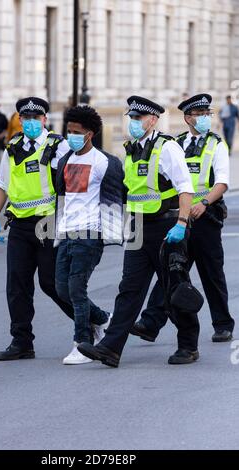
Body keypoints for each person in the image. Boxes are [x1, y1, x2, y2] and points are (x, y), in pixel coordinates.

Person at [77, 95, 199, 367]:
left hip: (167, 227)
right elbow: (129, 191)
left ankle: (188, 344)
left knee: (174, 287)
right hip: (137, 227)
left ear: (153, 120)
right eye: (130, 118)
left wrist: (181, 223)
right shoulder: (131, 150)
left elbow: (185, 188)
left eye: (138, 118)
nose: (132, 122)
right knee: (129, 289)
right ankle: (111, 347)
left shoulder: (167, 148)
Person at [132, 94, 234, 343]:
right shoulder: (175, 143)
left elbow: (222, 182)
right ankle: (151, 322)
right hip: (179, 218)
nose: (205, 118)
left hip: (206, 217)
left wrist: (204, 203)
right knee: (171, 272)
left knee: (212, 273)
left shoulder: (216, 144)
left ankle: (222, 324)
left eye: (207, 114)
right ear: (188, 118)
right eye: (200, 115)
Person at [0, 96, 74, 361]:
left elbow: (71, 184)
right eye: (26, 119)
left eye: (36, 119)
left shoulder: (58, 146)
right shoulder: (13, 146)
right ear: (20, 120)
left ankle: (91, 321)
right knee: (17, 285)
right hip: (20, 226)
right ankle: (22, 341)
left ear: (45, 120)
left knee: (52, 283)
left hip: (48, 224)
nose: (31, 123)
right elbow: (2, 184)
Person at [55, 105, 125, 364]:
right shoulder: (65, 161)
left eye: (76, 132)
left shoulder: (104, 162)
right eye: (69, 131)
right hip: (66, 233)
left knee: (76, 289)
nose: (70, 135)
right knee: (61, 289)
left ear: (90, 134)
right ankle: (102, 318)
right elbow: (62, 197)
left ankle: (81, 342)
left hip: (90, 234)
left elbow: (115, 199)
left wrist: (111, 234)